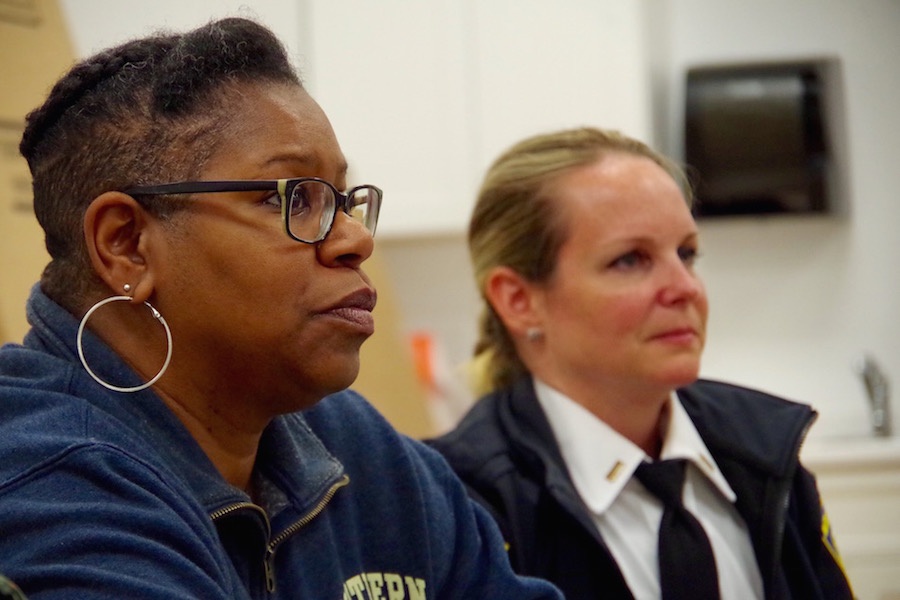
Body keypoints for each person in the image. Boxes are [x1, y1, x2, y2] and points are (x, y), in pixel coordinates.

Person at [0, 18, 564, 600]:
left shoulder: (351, 442)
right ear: (126, 245)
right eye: (288, 196)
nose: (354, 240)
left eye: (343, 200)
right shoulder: (49, 484)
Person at [427, 127, 854, 600]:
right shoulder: (457, 503)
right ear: (520, 300)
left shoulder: (767, 452)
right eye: (630, 260)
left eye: (687, 253)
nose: (685, 287)